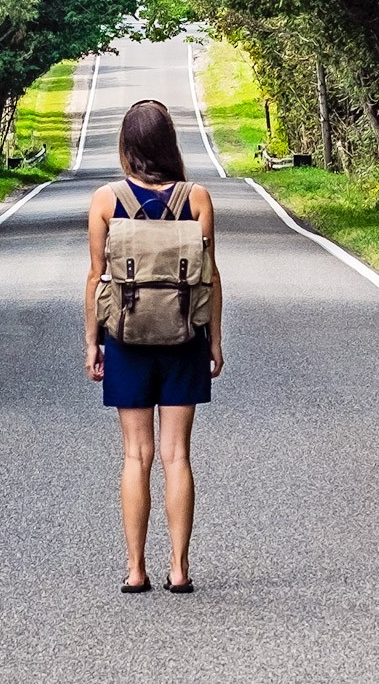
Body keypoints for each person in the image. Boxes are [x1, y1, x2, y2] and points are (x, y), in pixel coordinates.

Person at [84, 99, 224, 595]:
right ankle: (180, 569)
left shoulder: (106, 199)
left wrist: (92, 342)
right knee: (176, 456)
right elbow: (210, 276)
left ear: (126, 145)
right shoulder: (197, 198)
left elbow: (96, 276)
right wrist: (215, 341)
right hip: (185, 337)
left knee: (135, 456)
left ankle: (136, 569)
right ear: (170, 143)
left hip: (127, 338)